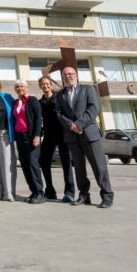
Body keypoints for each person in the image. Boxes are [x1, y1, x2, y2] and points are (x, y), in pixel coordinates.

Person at [55, 66, 114, 209]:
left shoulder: (88, 89)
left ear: (76, 75)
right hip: (72, 136)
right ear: (62, 77)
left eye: (71, 73)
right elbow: (58, 113)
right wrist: (71, 126)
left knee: (99, 167)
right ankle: (83, 195)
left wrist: (79, 124)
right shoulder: (60, 94)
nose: (68, 76)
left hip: (90, 135)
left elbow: (93, 108)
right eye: (65, 74)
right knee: (79, 169)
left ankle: (106, 195)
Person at [38, 75, 75, 203]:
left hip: (62, 133)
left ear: (51, 85)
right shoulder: (40, 102)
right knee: (43, 161)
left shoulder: (59, 97)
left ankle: (69, 192)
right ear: (40, 86)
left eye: (47, 84)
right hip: (48, 134)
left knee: (66, 163)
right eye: (43, 84)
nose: (45, 86)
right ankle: (50, 190)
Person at [13, 79, 45, 204]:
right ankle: (34, 192)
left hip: (31, 136)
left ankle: (40, 193)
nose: (20, 88)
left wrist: (37, 135)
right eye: (17, 87)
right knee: (25, 165)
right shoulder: (17, 102)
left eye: (22, 86)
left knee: (33, 164)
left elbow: (38, 119)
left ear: (26, 88)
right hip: (20, 137)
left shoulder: (32, 100)